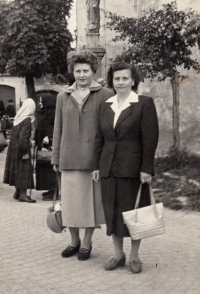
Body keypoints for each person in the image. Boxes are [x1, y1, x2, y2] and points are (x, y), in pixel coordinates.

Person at [92, 61, 159, 273]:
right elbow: (99, 138)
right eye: (117, 78)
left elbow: (150, 138)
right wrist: (96, 165)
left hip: (133, 170)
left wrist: (147, 168)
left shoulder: (143, 103)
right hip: (108, 168)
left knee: (134, 213)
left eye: (125, 78)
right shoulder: (106, 105)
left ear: (133, 80)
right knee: (112, 213)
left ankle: (135, 256)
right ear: (112, 81)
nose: (120, 82)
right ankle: (118, 254)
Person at [52, 52, 113, 260]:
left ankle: (87, 242)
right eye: (77, 71)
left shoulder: (105, 94)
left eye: (85, 70)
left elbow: (108, 129)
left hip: (92, 160)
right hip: (68, 159)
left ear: (93, 71)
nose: (81, 75)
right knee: (69, 204)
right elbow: (57, 129)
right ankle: (73, 241)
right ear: (73, 72)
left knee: (90, 204)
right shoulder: (62, 96)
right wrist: (55, 157)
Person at [3, 98, 36, 203]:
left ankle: (17, 192)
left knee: (17, 170)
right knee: (24, 171)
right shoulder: (27, 120)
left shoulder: (18, 118)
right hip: (21, 148)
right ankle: (23, 195)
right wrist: (25, 152)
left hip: (14, 148)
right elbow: (23, 138)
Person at [34, 93, 57, 201]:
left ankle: (53, 191)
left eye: (41, 101)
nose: (40, 103)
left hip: (49, 144)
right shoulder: (42, 112)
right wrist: (35, 139)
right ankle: (48, 188)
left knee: (49, 169)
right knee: (43, 168)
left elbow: (56, 126)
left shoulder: (55, 112)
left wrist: (49, 136)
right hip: (41, 144)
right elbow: (39, 126)